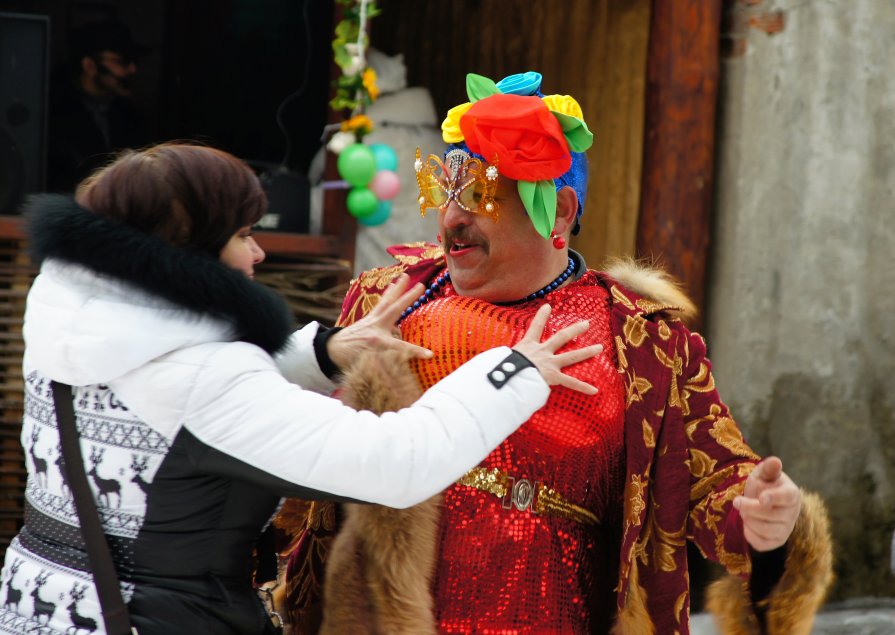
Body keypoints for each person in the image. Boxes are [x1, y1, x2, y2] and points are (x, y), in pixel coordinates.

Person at [278, 72, 834, 634]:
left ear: (561, 212)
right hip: (387, 613)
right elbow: (299, 444)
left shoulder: (643, 342)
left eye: (478, 193)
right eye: (445, 189)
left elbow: (715, 482)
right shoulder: (388, 297)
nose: (450, 219)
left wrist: (764, 517)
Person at [0, 142, 603, 635]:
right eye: (242, 235)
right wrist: (513, 373)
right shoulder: (203, 382)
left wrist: (323, 352)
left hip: (39, 602)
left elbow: (170, 389)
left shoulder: (72, 320)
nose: (259, 252)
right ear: (190, 254)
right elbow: (399, 462)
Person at [47, 19, 152, 192]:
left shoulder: (130, 115)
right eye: (122, 61)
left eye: (135, 61)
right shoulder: (53, 112)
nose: (132, 69)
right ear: (89, 66)